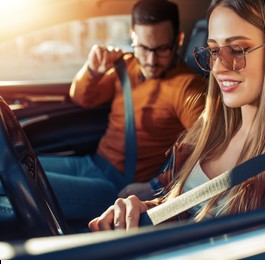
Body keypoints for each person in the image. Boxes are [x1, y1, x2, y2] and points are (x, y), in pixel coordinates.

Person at [88, 0, 265, 231]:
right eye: (213, 51)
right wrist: (142, 210)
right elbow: (179, 208)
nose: (218, 68)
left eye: (237, 49)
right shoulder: (204, 132)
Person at [39, 0, 206, 220]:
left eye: (162, 49)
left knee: (18, 184)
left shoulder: (188, 87)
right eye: (144, 48)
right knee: (17, 168)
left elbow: (210, 147)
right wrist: (93, 70)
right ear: (133, 37)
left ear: (179, 40)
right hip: (92, 163)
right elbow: (81, 98)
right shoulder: (126, 66)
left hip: (118, 189)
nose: (151, 60)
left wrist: (156, 185)